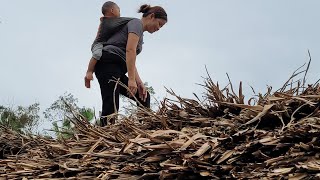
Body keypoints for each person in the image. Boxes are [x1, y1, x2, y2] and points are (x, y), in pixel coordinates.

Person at [94, 4, 168, 126]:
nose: (159, 28)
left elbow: (130, 59)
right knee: (111, 106)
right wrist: (131, 80)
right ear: (152, 16)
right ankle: (104, 137)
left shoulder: (140, 34)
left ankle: (145, 128)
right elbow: (130, 50)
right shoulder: (136, 24)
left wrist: (139, 82)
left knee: (143, 96)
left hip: (118, 67)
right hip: (107, 63)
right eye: (160, 24)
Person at [84, 1, 121, 88]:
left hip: (104, 44)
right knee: (97, 54)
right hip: (98, 43)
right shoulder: (106, 20)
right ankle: (89, 71)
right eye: (118, 10)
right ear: (112, 10)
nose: (120, 12)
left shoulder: (111, 21)